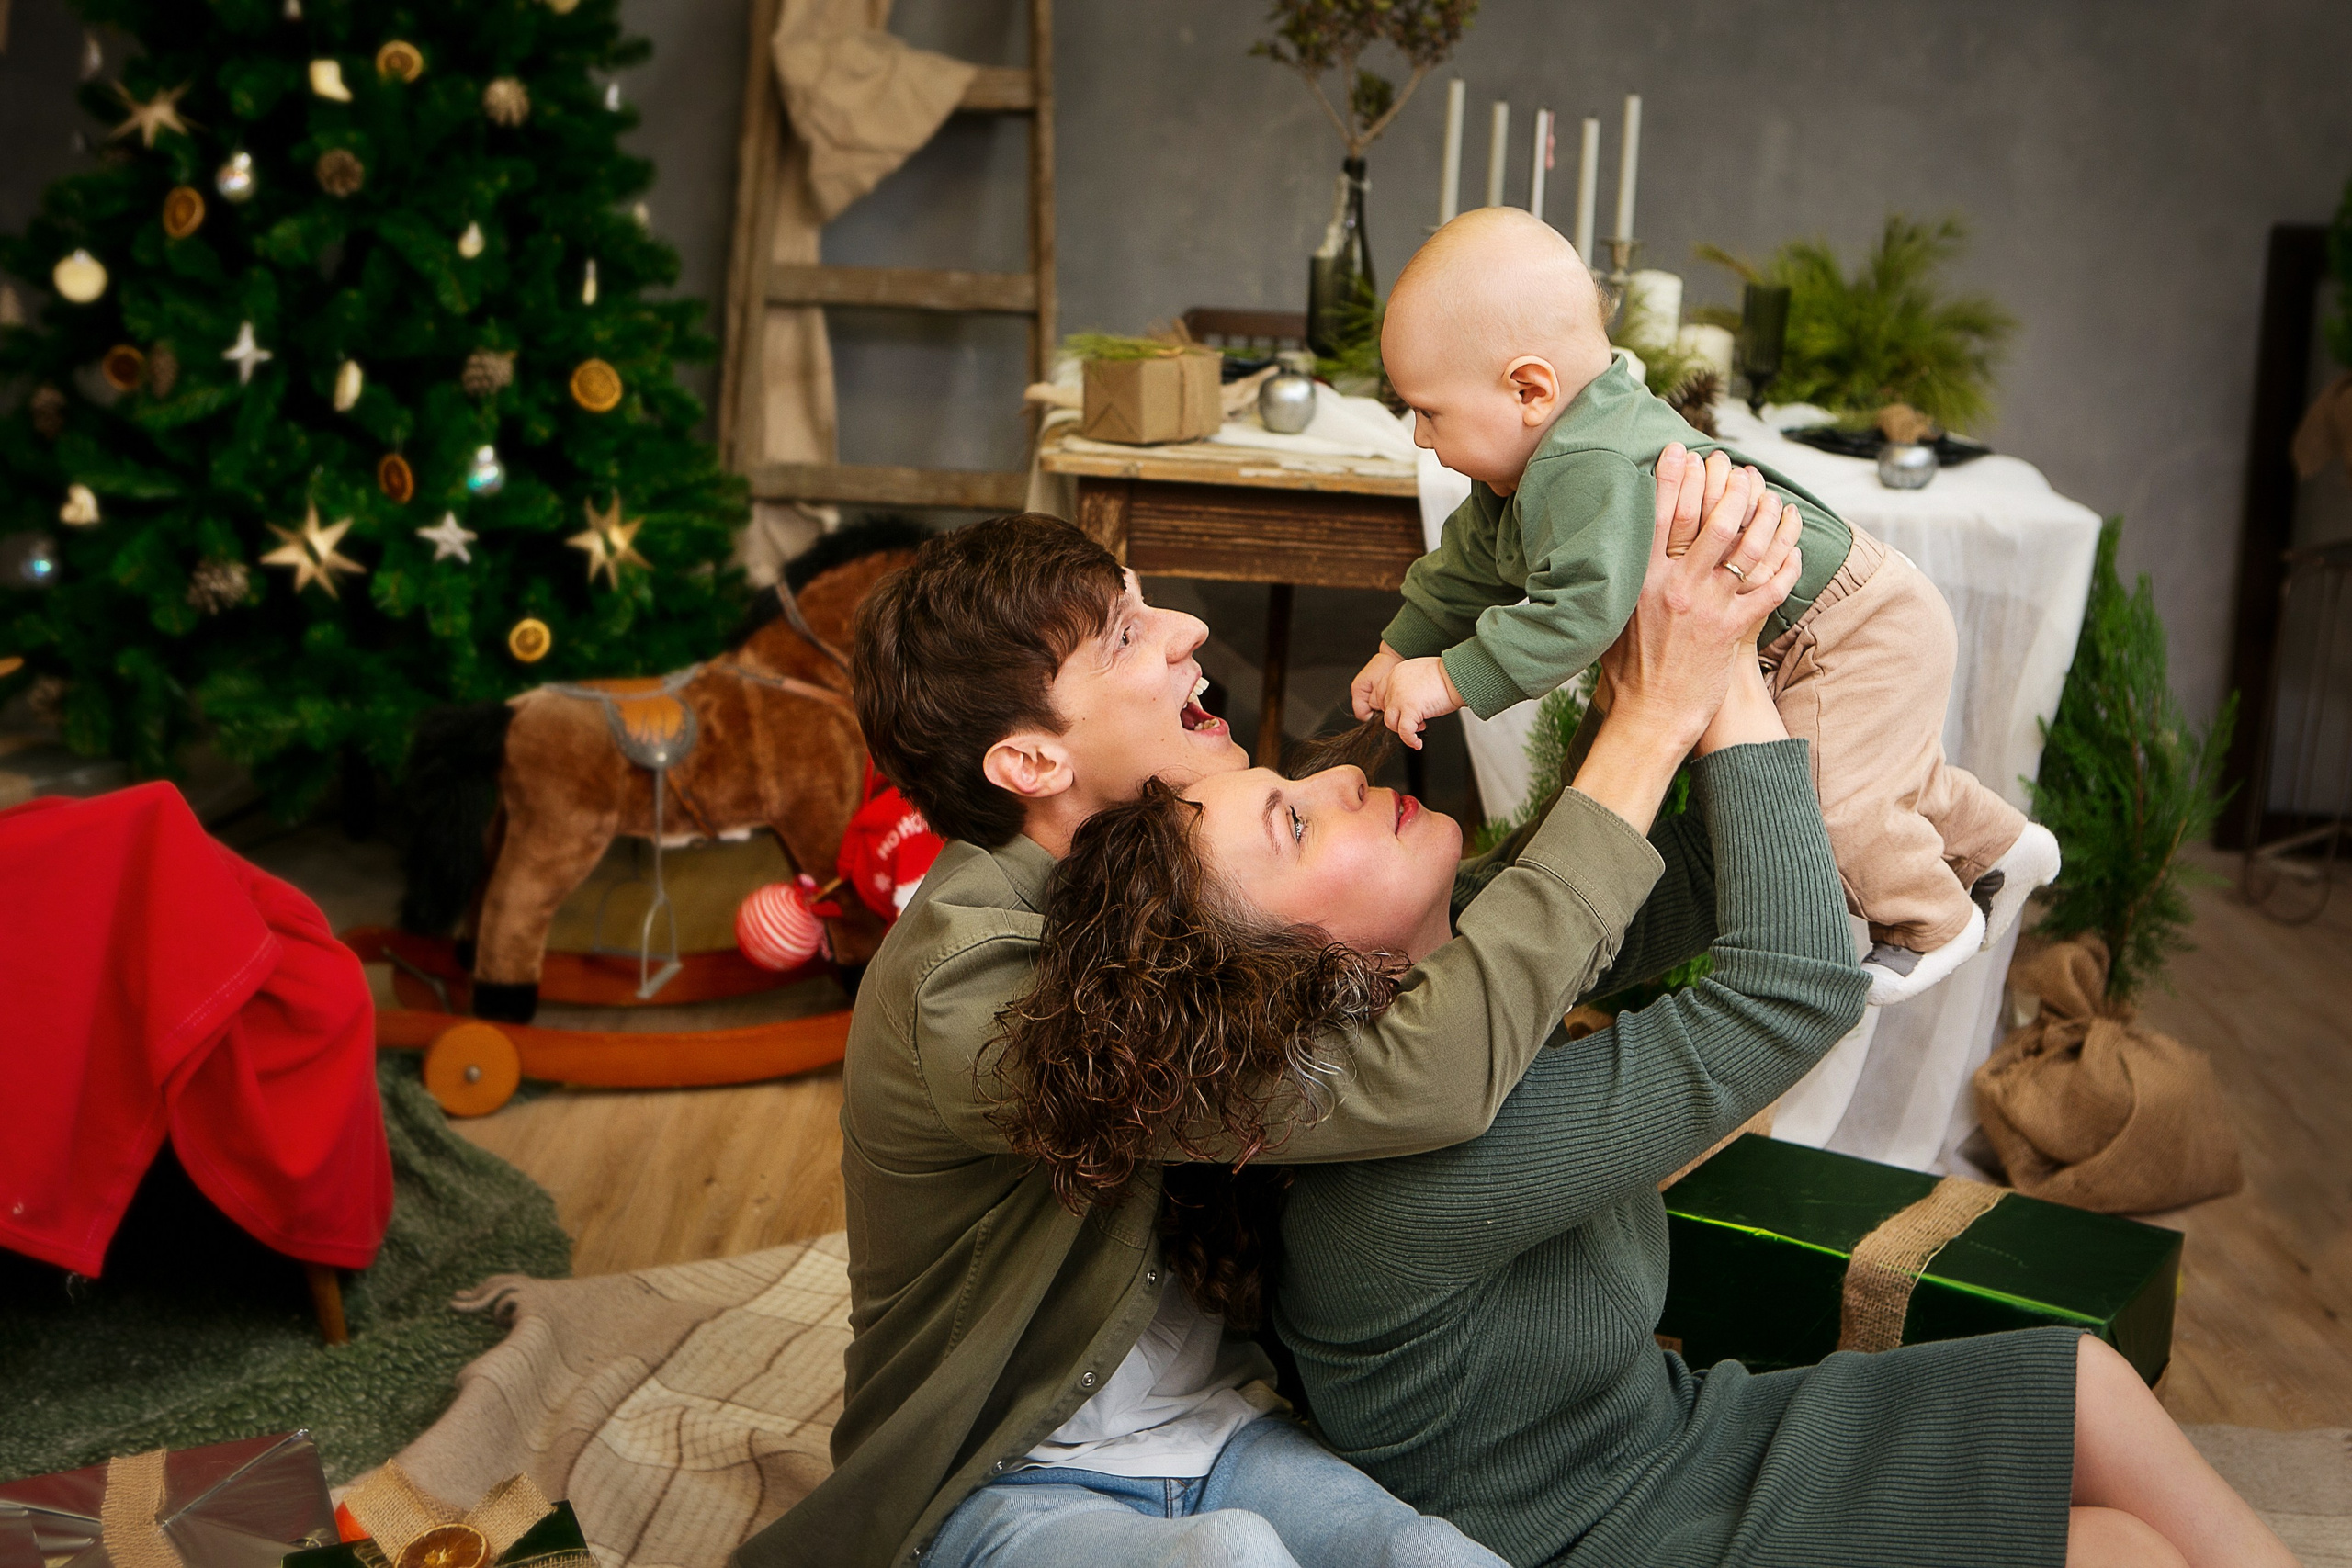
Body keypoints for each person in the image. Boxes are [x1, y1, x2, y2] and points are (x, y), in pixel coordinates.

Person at [1006, 519, 2292, 1568]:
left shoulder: (1450, 1001)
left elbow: (1701, 870)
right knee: (2121, 1552)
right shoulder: (1403, 1179)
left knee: (2083, 1382)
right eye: (1294, 824)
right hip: (1612, 1539)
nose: (1338, 779)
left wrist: (1727, 650)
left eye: (1297, 779)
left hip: (1686, 1431)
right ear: (1289, 985)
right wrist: (1709, 672)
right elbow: (1787, 989)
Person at [734, 457, 1802, 1568]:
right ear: (1030, 759)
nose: (1188, 627)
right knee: (1231, 1558)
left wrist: (1758, 796)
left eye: (1146, 603)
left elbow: (1450, 946)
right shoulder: (969, 997)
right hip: (998, 1471)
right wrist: (1648, 722)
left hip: (1218, 1430)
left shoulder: (1154, 869)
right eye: (1123, 637)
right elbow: (1420, 1065)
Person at [1350, 206, 2062, 1006]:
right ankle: (2002, 846)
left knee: (1831, 799)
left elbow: (1579, 611)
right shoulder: (1522, 473)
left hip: (1850, 623)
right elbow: (1463, 570)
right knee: (1886, 772)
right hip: (1838, 614)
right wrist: (1398, 647)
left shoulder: (1588, 465)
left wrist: (1448, 678)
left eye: (1429, 411)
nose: (1417, 436)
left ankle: (1930, 921)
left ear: (1529, 389)